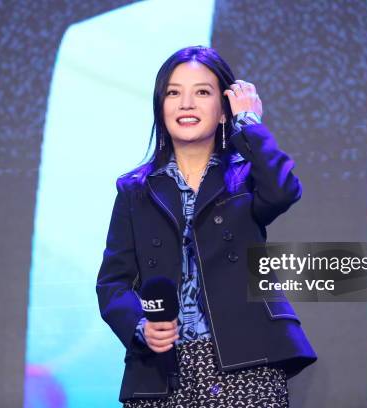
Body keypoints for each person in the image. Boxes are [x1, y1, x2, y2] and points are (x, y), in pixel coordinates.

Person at [96, 46, 316, 408]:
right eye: (173, 92)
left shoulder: (246, 177)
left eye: (202, 92)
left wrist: (250, 124)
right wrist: (141, 327)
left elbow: (283, 191)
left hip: (247, 362)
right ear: (160, 105)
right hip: (161, 371)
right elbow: (112, 283)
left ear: (223, 109)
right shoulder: (135, 190)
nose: (186, 103)